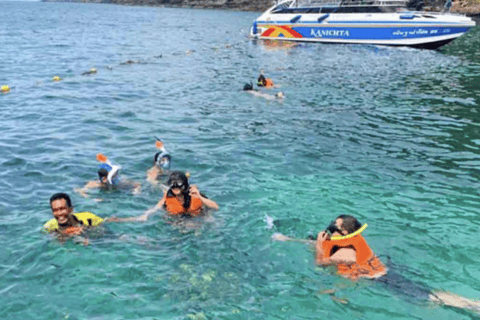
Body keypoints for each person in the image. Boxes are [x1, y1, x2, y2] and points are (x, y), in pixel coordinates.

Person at [273, 214, 480, 313]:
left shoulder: (346, 251)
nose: (329, 229)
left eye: (333, 227)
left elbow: (321, 263)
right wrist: (288, 239)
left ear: (344, 232)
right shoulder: (351, 241)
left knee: (431, 298)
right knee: (427, 294)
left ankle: (473, 306)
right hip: (385, 272)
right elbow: (324, 246)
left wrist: (319, 245)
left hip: (384, 281)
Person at [113, 171, 218, 222]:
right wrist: (145, 215)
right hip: (178, 219)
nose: (175, 187)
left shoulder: (193, 193)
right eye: (173, 184)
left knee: (211, 221)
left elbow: (215, 207)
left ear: (185, 185)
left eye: (179, 184)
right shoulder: (168, 195)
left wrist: (200, 197)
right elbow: (156, 207)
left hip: (197, 216)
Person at [74, 154, 141, 198]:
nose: (117, 177)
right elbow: (78, 190)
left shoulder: (120, 184)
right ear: (104, 179)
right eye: (114, 176)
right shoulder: (95, 184)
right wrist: (89, 197)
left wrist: (136, 192)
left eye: (117, 174)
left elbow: (137, 184)